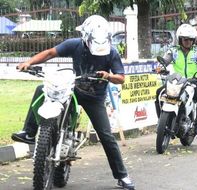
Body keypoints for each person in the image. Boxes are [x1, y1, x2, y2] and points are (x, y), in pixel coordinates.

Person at [11, 15, 135, 190]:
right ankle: (29, 132)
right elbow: (50, 53)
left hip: (95, 98)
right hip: (73, 89)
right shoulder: (75, 44)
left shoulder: (111, 52)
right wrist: (28, 62)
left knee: (107, 136)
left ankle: (122, 176)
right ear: (86, 38)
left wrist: (109, 76)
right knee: (42, 89)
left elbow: (121, 78)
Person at [154, 23, 197, 135]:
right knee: (158, 93)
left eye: (190, 39)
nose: (187, 41)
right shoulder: (173, 51)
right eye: (185, 39)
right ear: (180, 39)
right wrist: (160, 68)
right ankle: (161, 121)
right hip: (176, 81)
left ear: (193, 40)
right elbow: (164, 61)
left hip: (193, 81)